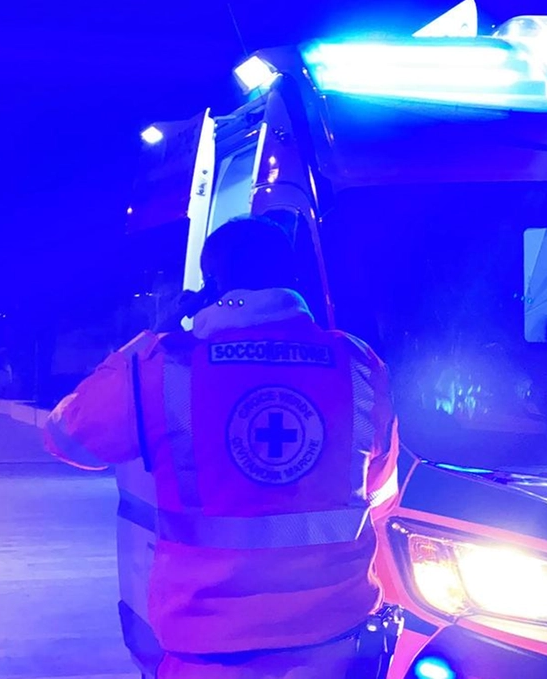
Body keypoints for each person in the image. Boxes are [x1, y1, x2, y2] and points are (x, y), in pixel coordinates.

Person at [41, 215, 401, 679]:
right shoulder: (357, 364)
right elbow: (382, 492)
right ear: (293, 277)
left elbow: (68, 437)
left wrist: (149, 338)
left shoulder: (166, 367)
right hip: (335, 644)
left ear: (211, 285)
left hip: (210, 649)